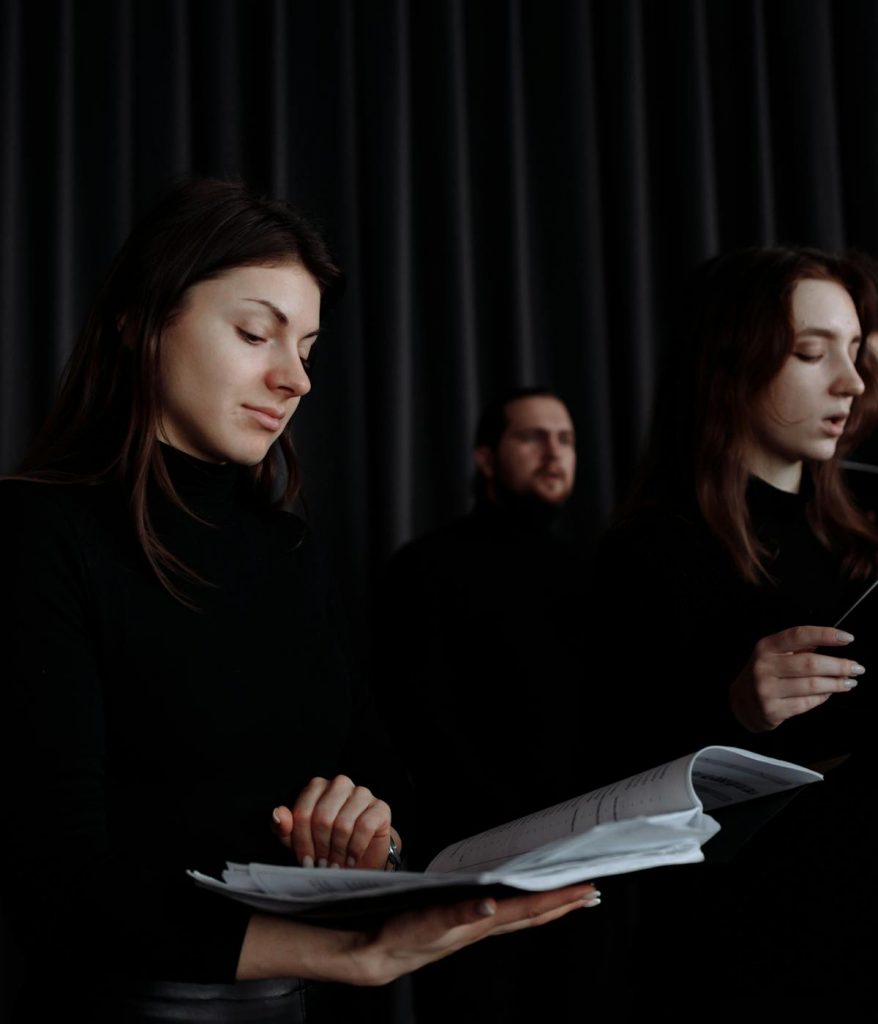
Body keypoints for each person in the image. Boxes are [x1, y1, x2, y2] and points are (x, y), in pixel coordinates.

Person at [0, 178, 601, 1024]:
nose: (295, 380)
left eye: (308, 348)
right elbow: (52, 877)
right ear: (140, 324)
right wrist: (350, 953)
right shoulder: (35, 531)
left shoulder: (286, 545)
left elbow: (383, 775)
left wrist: (373, 839)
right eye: (255, 333)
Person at [593, 246, 878, 1016]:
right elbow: (601, 787)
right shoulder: (649, 552)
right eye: (811, 352)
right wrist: (732, 715)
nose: (850, 383)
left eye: (855, 352)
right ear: (730, 363)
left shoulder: (865, 538)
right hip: (749, 949)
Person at [374, 388, 619, 1023]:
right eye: (532, 437)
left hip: (587, 872)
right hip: (474, 872)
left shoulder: (594, 574)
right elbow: (418, 724)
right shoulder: (426, 567)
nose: (554, 452)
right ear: (486, 457)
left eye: (565, 439)